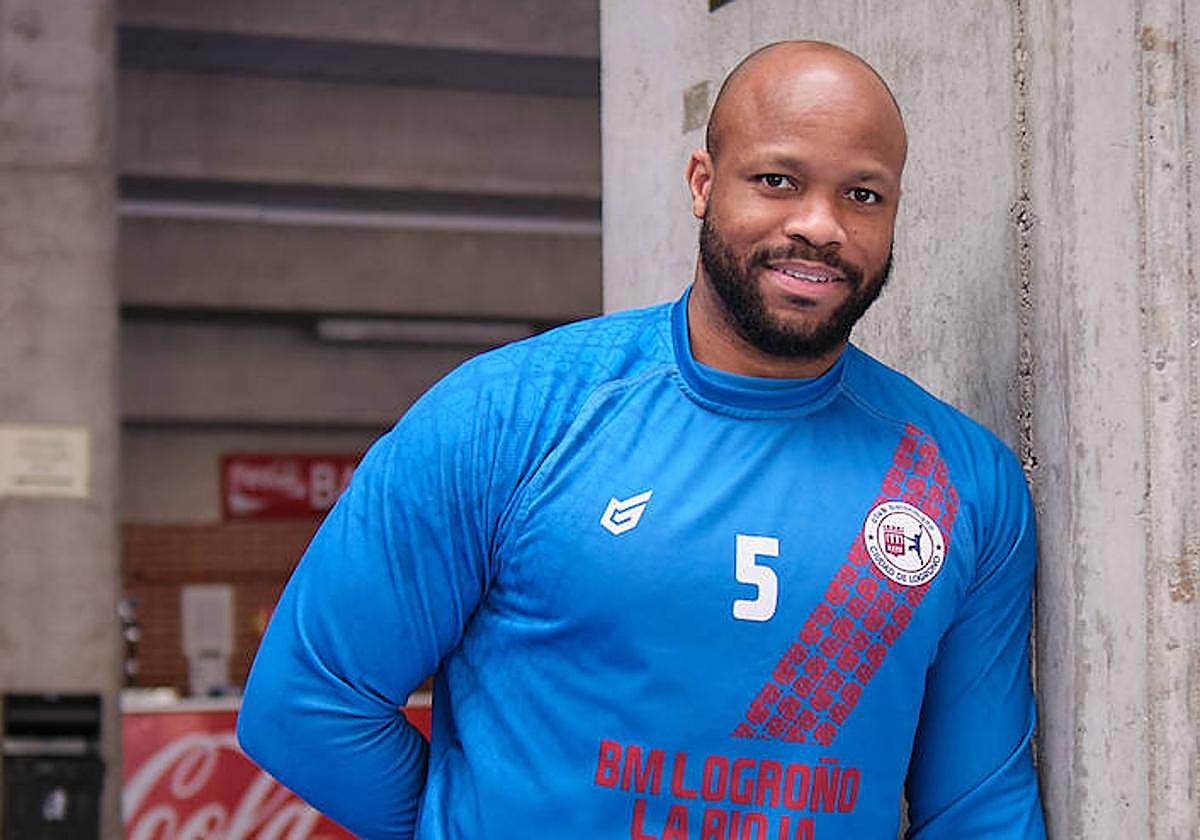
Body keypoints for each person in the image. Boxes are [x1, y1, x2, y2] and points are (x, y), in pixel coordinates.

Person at [238, 40, 1046, 839]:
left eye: (863, 196)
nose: (820, 225)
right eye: (778, 180)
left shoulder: (961, 482)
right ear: (703, 184)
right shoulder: (512, 415)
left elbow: (980, 809)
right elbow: (307, 705)